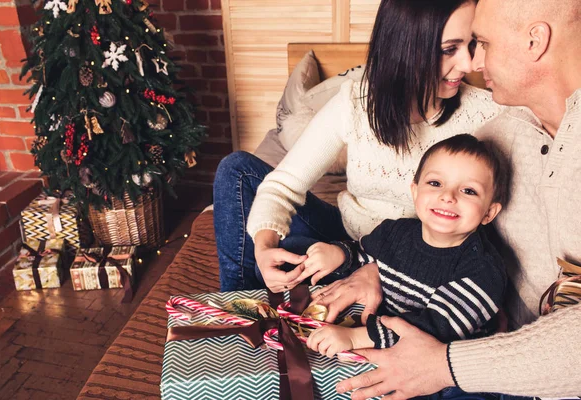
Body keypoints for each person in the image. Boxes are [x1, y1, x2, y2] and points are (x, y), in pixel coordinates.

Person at [328, 0, 581, 399]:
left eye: (481, 43)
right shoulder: (495, 136)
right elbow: (439, 232)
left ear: (535, 41)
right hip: (483, 351)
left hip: (481, 364)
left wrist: (444, 366)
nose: (473, 63)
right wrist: (376, 267)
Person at [213, 0, 502, 293]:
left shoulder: (487, 115)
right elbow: (283, 186)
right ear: (405, 45)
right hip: (345, 237)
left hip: (420, 256)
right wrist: (263, 249)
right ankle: (238, 306)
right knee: (237, 170)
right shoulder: (356, 102)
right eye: (449, 49)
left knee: (307, 263)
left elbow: (483, 234)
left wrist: (376, 269)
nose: (469, 65)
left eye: (473, 44)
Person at [305, 134, 508, 362]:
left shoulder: (482, 271)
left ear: (489, 213)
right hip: (380, 337)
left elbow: (434, 329)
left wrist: (354, 338)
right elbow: (364, 254)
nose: (447, 196)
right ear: (415, 192)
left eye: (468, 191)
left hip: (439, 366)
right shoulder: (396, 232)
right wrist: (339, 253)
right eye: (435, 183)